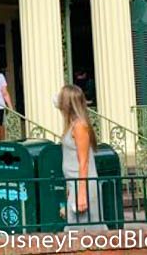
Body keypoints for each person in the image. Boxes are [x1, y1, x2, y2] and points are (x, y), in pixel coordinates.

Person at [56, 84, 103, 227]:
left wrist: (81, 194)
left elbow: (84, 162)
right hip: (74, 184)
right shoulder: (71, 125)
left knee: (85, 231)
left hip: (82, 185)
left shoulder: (79, 126)